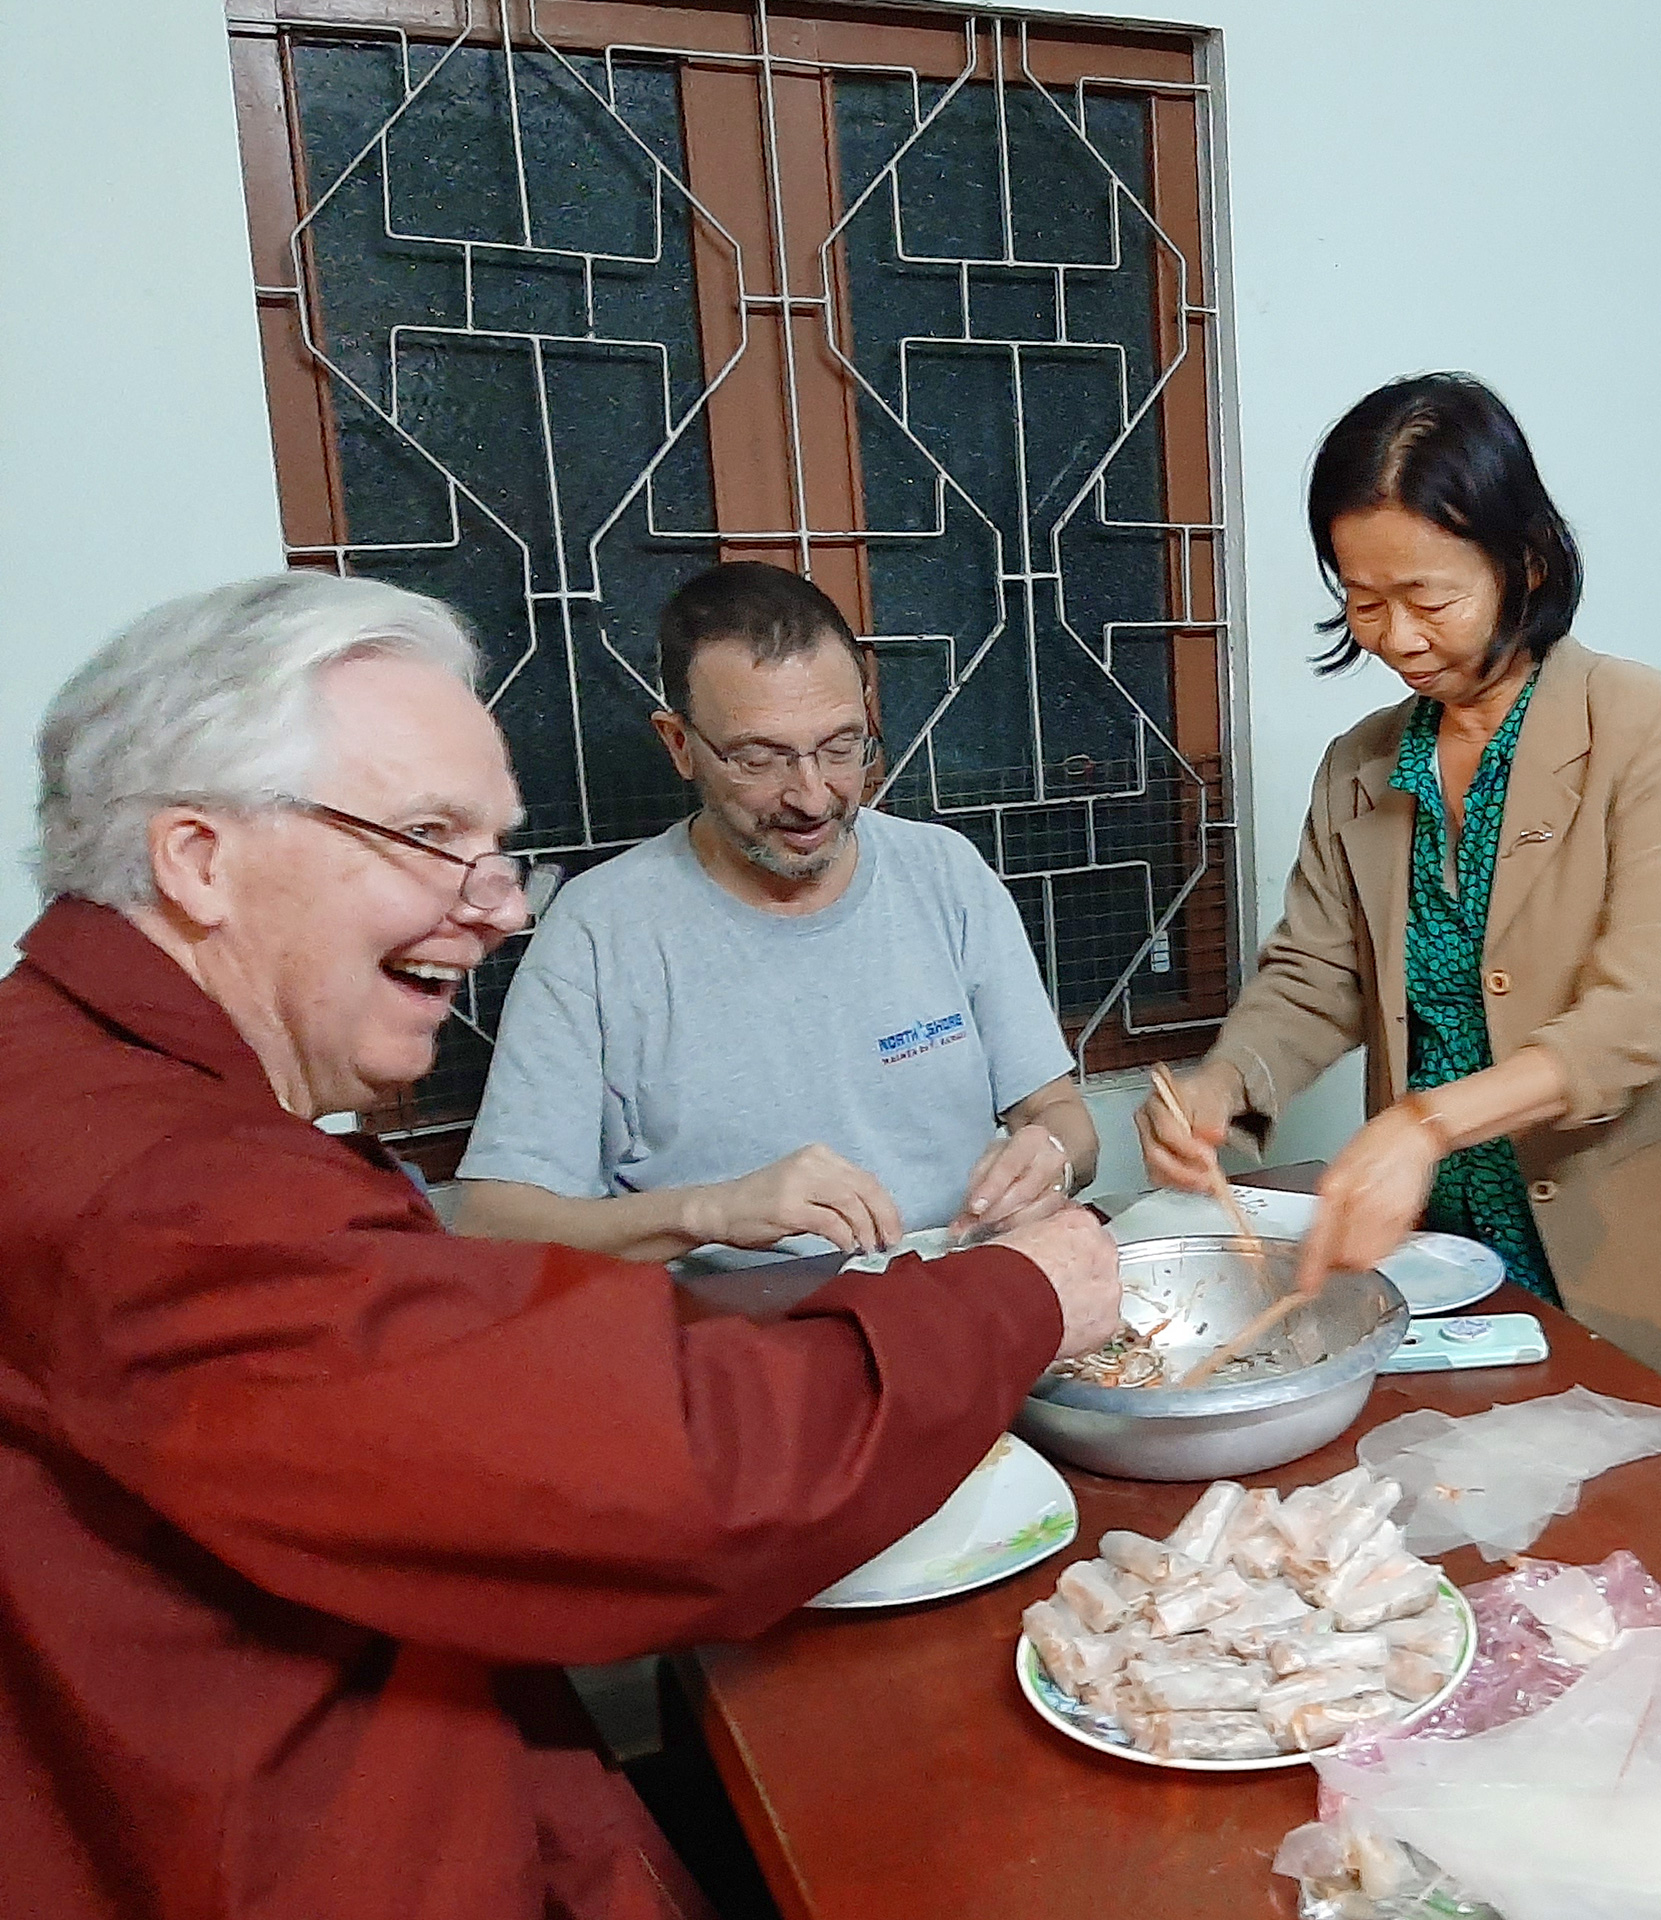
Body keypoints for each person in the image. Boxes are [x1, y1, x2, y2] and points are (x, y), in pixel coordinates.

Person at [0, 573, 1120, 1919]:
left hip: (900, 1458)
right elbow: (677, 1468)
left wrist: (1044, 1178)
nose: (500, 906)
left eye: (843, 747)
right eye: (428, 836)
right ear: (197, 860)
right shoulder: (158, 1182)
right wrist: (1008, 1296)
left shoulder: (96, 1088)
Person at [1133, 374, 1661, 1385]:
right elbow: (1314, 975)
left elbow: (1649, 1006)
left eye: (1430, 598)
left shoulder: (1652, 728)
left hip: (1636, 1264)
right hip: (1441, 1265)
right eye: (1364, 600)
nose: (1397, 637)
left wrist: (1425, 1123)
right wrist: (1223, 1082)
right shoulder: (1362, 767)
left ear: (1525, 563)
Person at [455, 562, 1095, 1265]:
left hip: (966, 1304)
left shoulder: (945, 874)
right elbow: (494, 1225)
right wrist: (714, 1212)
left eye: (842, 747)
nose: (814, 797)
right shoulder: (600, 931)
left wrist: (1054, 1154)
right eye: (762, 759)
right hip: (745, 1345)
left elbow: (1059, 1117)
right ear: (680, 746)